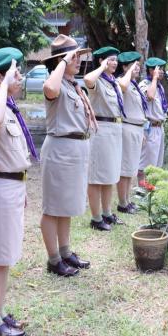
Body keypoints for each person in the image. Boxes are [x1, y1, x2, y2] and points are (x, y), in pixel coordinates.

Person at [0, 48, 37, 336]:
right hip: (0, 187)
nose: (21, 78)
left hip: (11, 185)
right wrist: (1, 88)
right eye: (16, 72)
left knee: (6, 257)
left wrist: (20, 185)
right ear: (0, 76)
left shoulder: (7, 104)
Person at [40, 34, 95, 277]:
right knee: (53, 207)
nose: (79, 61)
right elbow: (49, 88)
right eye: (74, 57)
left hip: (75, 149)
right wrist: (63, 62)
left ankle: (65, 252)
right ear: (61, 60)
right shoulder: (56, 83)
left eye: (79, 56)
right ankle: (53, 260)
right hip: (60, 150)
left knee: (67, 205)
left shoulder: (73, 84)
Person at [84, 46, 125, 231]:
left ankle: (107, 213)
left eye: (116, 60)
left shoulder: (113, 82)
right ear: (101, 61)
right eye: (110, 59)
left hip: (116, 129)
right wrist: (101, 66)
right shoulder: (98, 81)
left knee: (110, 175)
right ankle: (96, 217)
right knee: (96, 177)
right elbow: (87, 79)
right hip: (102, 129)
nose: (114, 63)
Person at [116, 51, 148, 213]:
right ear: (125, 67)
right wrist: (128, 72)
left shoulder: (135, 85)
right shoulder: (123, 82)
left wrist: (142, 131)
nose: (137, 68)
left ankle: (127, 200)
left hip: (136, 127)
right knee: (125, 167)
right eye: (133, 65)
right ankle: (122, 202)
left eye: (138, 65)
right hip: (127, 127)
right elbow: (122, 85)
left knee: (132, 169)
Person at [138, 57, 168, 182]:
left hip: (159, 127)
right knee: (145, 165)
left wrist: (156, 80)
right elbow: (150, 96)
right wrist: (155, 78)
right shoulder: (145, 84)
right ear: (151, 70)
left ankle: (151, 193)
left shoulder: (159, 86)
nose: (161, 71)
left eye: (162, 69)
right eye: (158, 69)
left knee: (156, 165)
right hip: (150, 128)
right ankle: (141, 193)